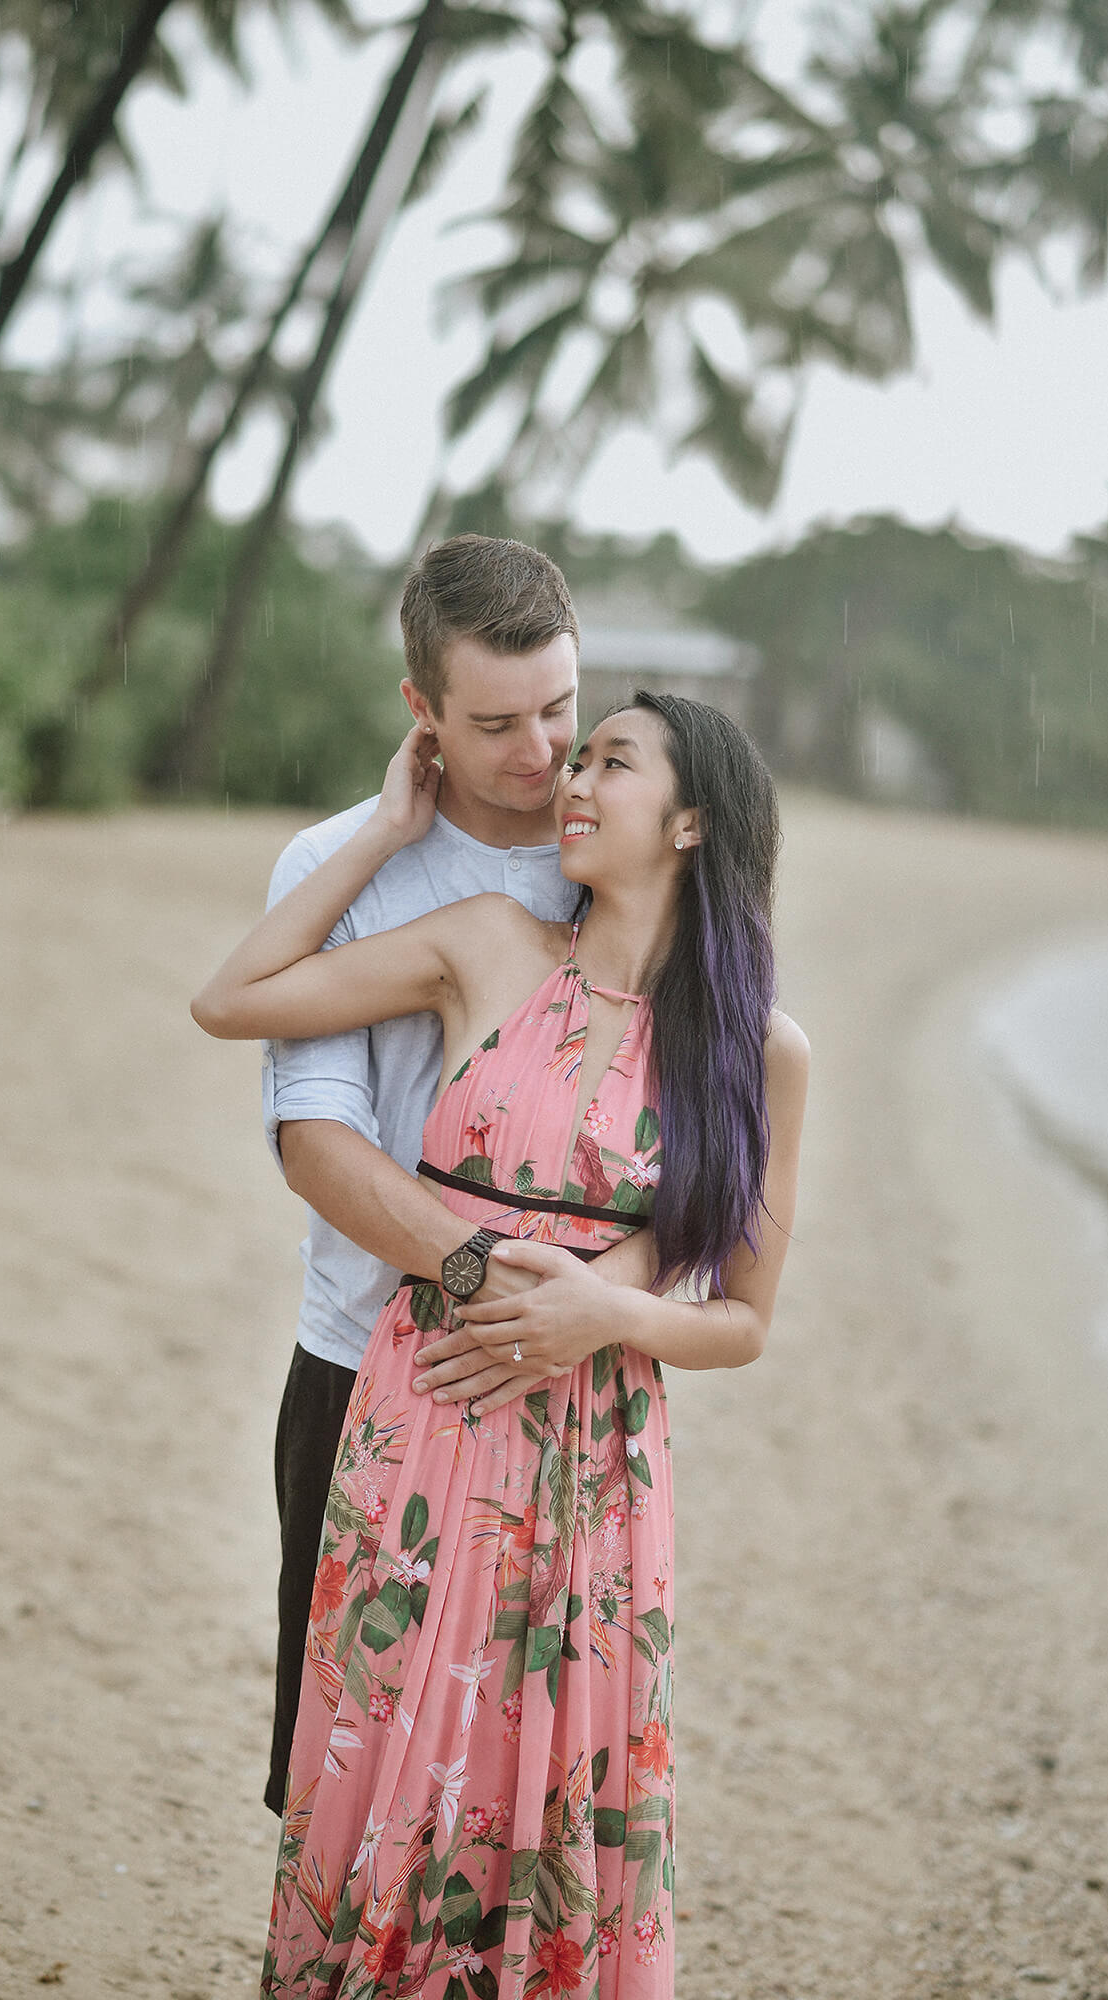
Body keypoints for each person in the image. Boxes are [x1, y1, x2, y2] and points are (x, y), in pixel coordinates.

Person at [193, 691, 809, 1998]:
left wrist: (610, 1314)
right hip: (423, 1421)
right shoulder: (485, 944)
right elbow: (232, 997)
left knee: (547, 1790)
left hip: (597, 1464)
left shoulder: (756, 1051)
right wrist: (381, 829)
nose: (572, 780)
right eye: (574, 759)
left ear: (693, 819)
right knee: (392, 1772)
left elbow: (745, 1320)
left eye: (611, 762)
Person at [257, 535, 658, 1817]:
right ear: (418, 709)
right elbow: (314, 1141)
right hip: (359, 1359)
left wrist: (586, 1306)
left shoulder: (619, 854)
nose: (542, 755)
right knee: (340, 1776)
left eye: (561, 708)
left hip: (567, 1381)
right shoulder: (342, 869)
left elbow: (697, 1148)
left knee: (526, 1788)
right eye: (494, 723)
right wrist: (479, 1278)